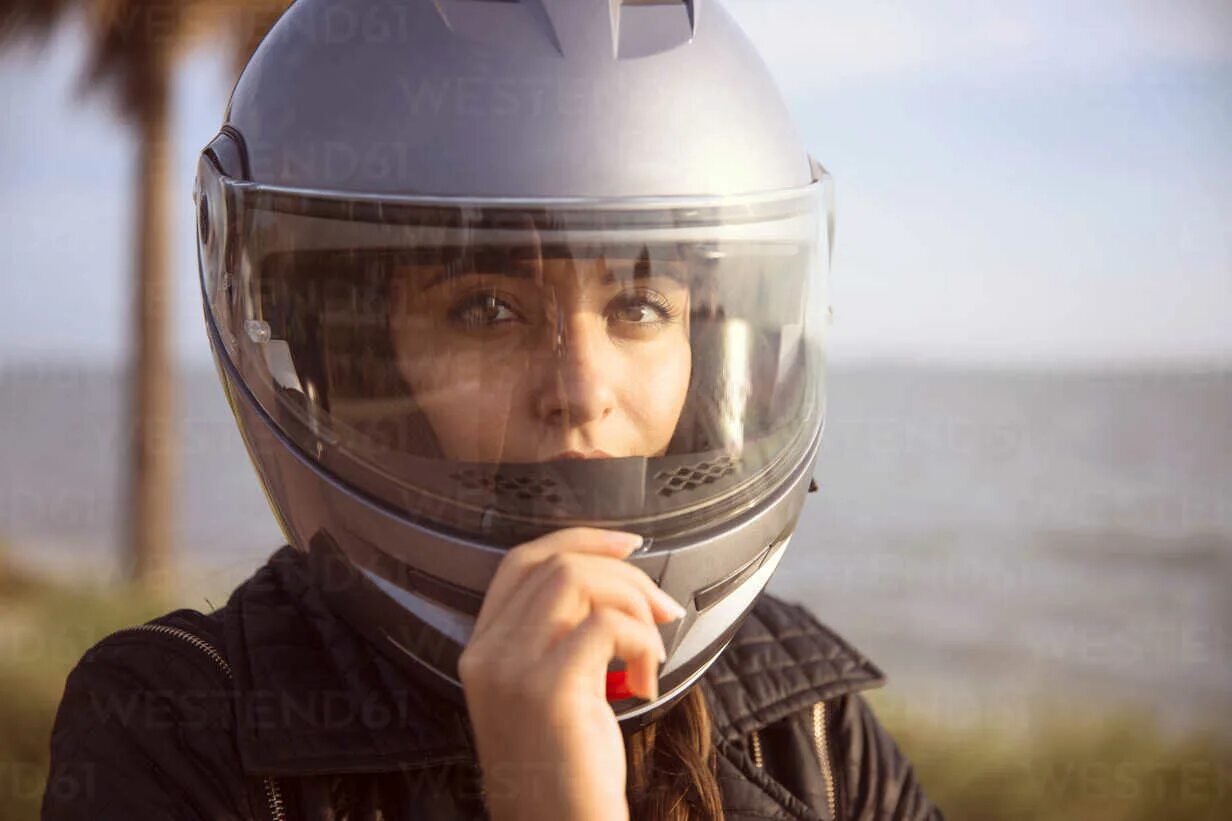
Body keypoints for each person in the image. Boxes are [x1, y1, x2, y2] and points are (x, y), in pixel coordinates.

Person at [43, 1, 943, 819]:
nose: (583, 392)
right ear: (336, 355)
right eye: (486, 308)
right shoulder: (177, 726)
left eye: (640, 308)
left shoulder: (812, 727)